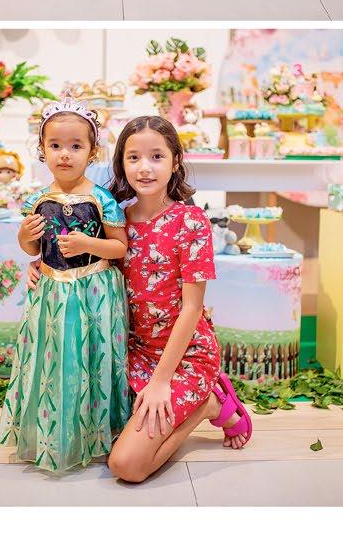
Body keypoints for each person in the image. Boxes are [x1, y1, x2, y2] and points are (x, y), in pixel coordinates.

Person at [104, 116, 253, 485]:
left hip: (185, 354)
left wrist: (160, 382)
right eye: (133, 157)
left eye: (156, 156)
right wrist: (39, 267)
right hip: (133, 354)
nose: (145, 167)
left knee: (126, 465)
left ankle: (208, 404)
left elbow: (192, 308)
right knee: (97, 439)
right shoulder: (114, 221)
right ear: (121, 163)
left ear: (175, 161)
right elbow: (85, 262)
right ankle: (192, 403)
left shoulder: (191, 222)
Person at [0, 100, 130, 473]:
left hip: (93, 291)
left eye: (75, 146)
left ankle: (95, 432)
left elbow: (119, 247)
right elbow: (33, 249)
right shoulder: (37, 200)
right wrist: (24, 236)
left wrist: (89, 244)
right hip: (52, 291)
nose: (65, 154)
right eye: (55, 145)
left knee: (90, 356)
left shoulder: (101, 198)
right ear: (42, 149)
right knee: (56, 358)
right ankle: (55, 432)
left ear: (92, 151)